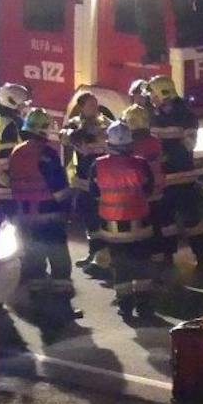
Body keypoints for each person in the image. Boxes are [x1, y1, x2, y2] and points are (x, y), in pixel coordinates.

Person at [5, 108, 79, 317]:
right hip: (49, 215)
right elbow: (59, 190)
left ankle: (38, 304)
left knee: (34, 259)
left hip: (25, 215)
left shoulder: (17, 152)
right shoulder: (46, 154)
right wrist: (69, 205)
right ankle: (62, 307)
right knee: (59, 260)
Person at [91, 121, 158, 322]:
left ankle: (125, 307)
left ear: (109, 143)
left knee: (120, 268)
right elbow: (148, 190)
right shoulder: (141, 164)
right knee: (142, 267)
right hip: (140, 228)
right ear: (130, 143)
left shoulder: (98, 165)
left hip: (112, 230)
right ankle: (144, 307)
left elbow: (94, 193)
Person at [147, 75, 203, 268]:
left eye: (153, 94)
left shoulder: (186, 116)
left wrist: (167, 153)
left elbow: (190, 144)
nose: (151, 98)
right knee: (166, 222)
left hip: (182, 177)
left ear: (162, 94)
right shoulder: (154, 115)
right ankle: (169, 255)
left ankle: (201, 256)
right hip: (165, 178)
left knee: (192, 220)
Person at [62, 92, 113, 272]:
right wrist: (80, 133)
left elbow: (112, 136)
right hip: (84, 180)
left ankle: (104, 258)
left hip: (102, 180)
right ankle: (94, 253)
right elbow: (65, 137)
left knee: (104, 219)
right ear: (82, 107)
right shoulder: (75, 123)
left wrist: (97, 134)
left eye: (95, 104)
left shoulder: (104, 122)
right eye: (90, 104)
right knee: (89, 219)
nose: (94, 107)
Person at [119, 104, 169, 274]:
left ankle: (145, 258)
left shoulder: (133, 145)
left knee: (144, 225)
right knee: (157, 224)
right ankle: (160, 257)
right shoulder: (154, 141)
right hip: (157, 188)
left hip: (141, 192)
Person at [0, 82, 32, 209]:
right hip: (11, 187)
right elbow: (7, 157)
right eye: (22, 105)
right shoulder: (11, 125)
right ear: (12, 102)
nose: (24, 108)